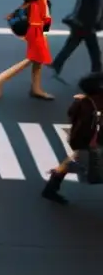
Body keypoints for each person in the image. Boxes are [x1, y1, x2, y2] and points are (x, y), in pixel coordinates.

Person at [42, 72, 103, 204]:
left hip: (79, 138)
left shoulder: (83, 102)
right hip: (93, 141)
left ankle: (51, 188)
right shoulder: (99, 103)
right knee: (84, 161)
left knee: (74, 158)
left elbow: (71, 113)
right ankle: (51, 188)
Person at [0, 0, 54, 100]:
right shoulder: (44, 2)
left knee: (37, 61)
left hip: (29, 32)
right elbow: (45, 22)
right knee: (33, 59)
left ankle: (36, 89)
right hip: (37, 34)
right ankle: (1, 78)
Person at [52, 0, 103, 79]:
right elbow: (84, 8)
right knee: (94, 51)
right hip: (84, 24)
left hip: (83, 24)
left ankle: (56, 64)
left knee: (71, 45)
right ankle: (97, 75)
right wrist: (90, 25)